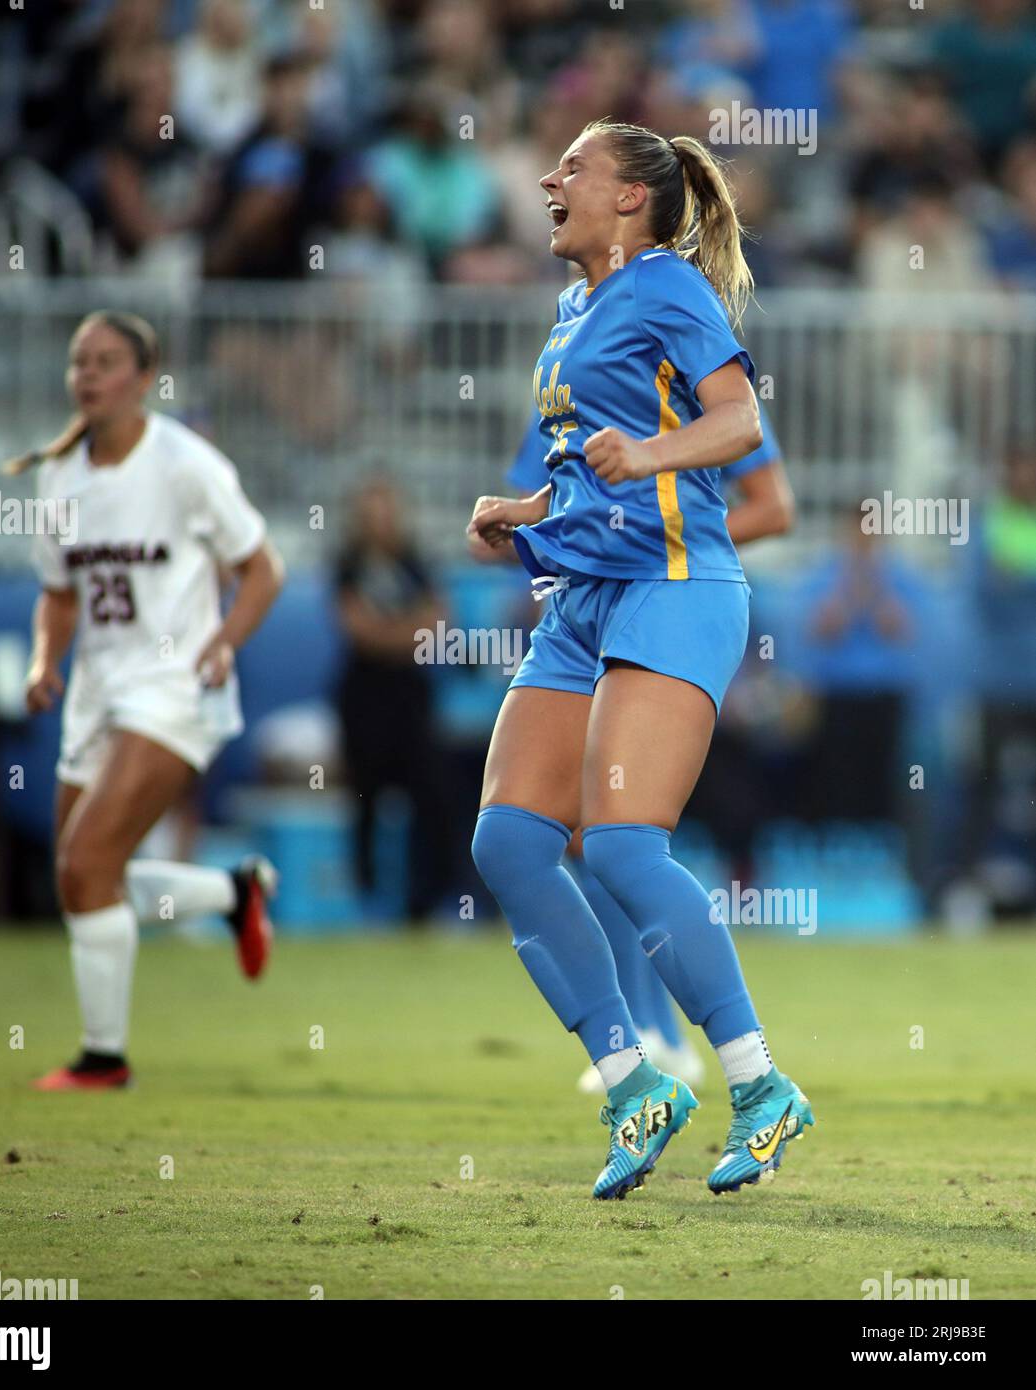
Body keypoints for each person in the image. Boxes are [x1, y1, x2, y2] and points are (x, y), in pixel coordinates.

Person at [467, 121, 814, 1199]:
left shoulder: (666, 283)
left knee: (621, 847)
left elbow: (740, 422)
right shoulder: (574, 308)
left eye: (572, 167)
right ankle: (632, 1080)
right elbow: (597, 472)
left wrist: (655, 452)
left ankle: (759, 1083)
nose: (547, 179)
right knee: (512, 843)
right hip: (584, 598)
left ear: (631, 199)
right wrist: (529, 510)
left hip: (675, 593)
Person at [10, 311, 284, 1091]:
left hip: (174, 688)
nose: (87, 375)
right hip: (97, 692)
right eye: (78, 362)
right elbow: (57, 593)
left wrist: (225, 638)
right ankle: (232, 892)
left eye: (104, 362)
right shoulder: (59, 475)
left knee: (89, 861)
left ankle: (104, 1058)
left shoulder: (184, 462)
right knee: (79, 877)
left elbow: (263, 569)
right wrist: (43, 661)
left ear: (143, 378)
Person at [501, 397, 792, 1095]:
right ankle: (651, 1031)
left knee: (622, 836)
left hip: (671, 619)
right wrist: (527, 529)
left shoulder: (694, 387)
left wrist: (664, 549)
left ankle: (676, 1041)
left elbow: (773, 507)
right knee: (580, 839)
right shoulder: (571, 381)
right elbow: (552, 507)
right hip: (589, 624)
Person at [334, 478, 454, 923]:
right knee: (364, 801)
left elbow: (440, 622)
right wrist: (407, 633)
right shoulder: (348, 565)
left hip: (410, 698)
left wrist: (389, 634)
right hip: (364, 700)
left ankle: (424, 904)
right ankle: (363, 903)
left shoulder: (416, 563)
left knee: (432, 798)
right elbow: (356, 629)